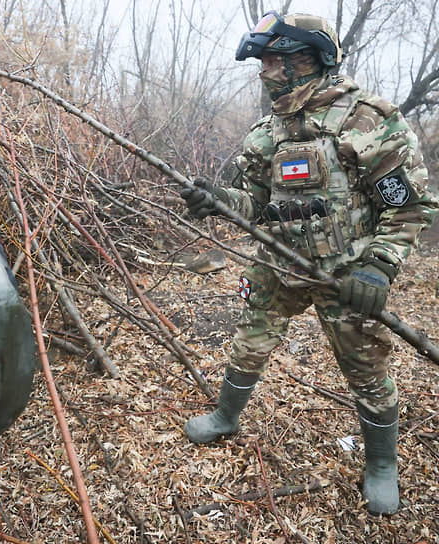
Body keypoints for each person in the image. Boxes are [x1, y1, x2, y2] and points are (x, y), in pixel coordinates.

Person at [179, 11, 438, 515]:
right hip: (278, 267)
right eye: (264, 62)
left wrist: (379, 266)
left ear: (309, 59)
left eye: (274, 60)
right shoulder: (266, 131)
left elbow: (408, 206)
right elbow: (253, 201)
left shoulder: (367, 120)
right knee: (250, 340)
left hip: (347, 275)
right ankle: (227, 416)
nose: (266, 72)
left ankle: (382, 464)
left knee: (365, 368)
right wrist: (217, 199)